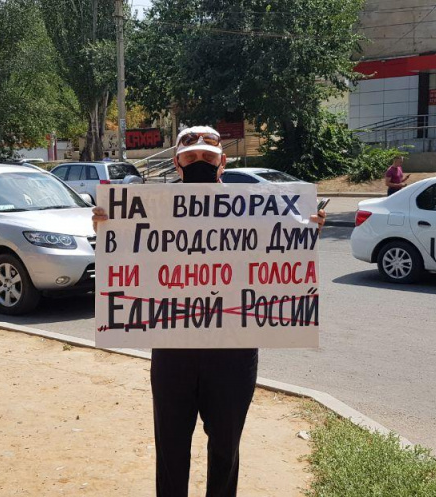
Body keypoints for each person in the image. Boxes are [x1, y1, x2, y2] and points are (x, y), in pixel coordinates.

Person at [92, 126, 326, 497]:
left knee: (226, 448)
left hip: (233, 352)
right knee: (170, 448)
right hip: (172, 349)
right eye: (191, 157)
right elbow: (127, 261)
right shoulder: (150, 209)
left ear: (222, 162)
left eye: (207, 157)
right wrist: (106, 228)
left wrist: (303, 233)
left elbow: (276, 258)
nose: (199, 162)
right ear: (177, 162)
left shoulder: (255, 212)